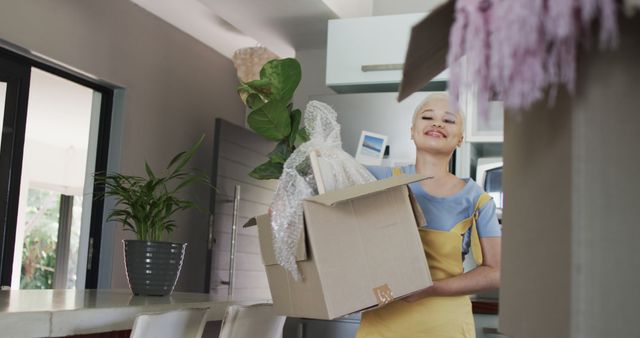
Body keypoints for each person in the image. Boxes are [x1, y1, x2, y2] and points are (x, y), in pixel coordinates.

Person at [356, 92, 502, 338]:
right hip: (382, 324)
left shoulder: (476, 199)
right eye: (428, 117)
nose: (437, 123)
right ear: (412, 131)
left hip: (445, 326)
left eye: (448, 120)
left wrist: (429, 288)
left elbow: (496, 272)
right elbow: (320, 186)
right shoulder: (375, 179)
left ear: (460, 139)